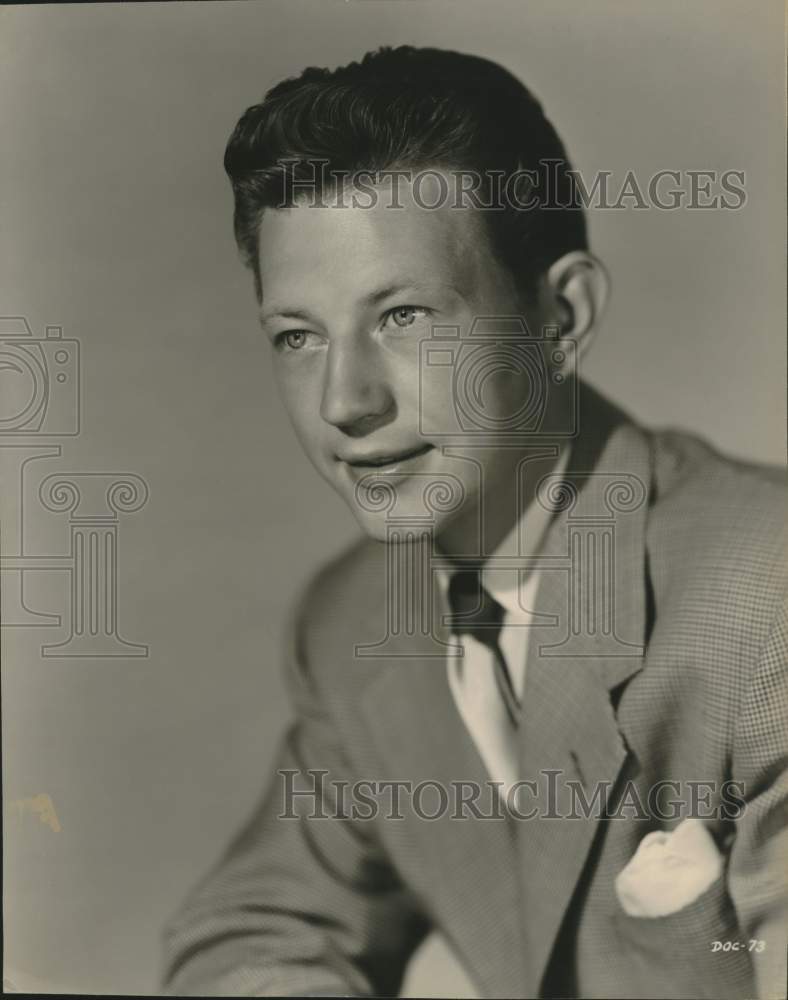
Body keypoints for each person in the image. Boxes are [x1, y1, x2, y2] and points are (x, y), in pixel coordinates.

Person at [160, 46, 787, 999]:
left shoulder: (770, 596)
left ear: (561, 317)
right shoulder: (355, 625)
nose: (346, 400)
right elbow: (252, 930)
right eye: (298, 336)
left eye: (406, 316)